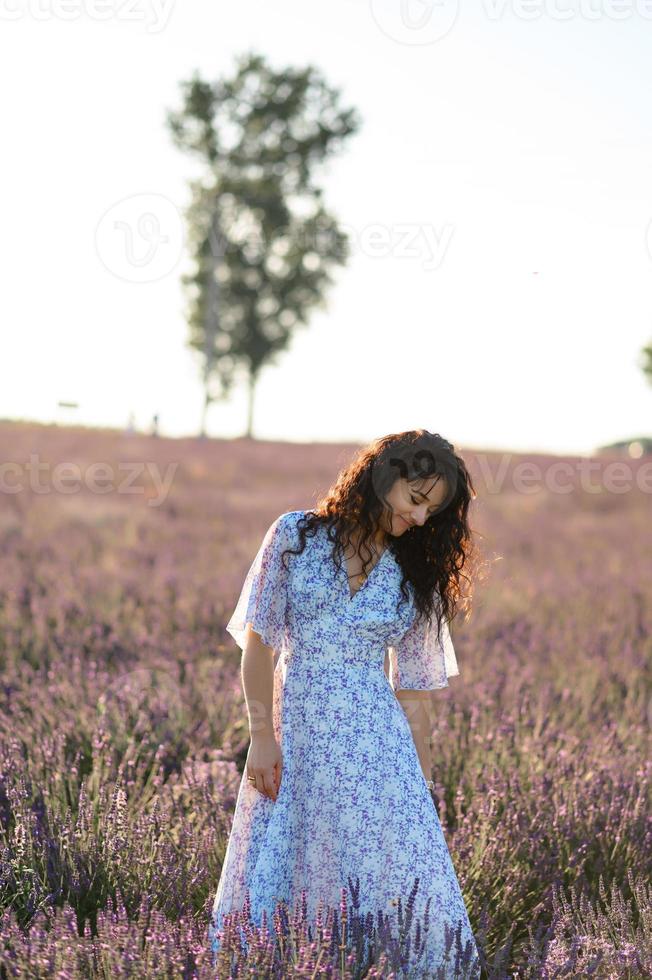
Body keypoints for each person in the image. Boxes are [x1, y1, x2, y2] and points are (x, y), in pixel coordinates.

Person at [209, 429, 482, 978]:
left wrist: (418, 785)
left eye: (434, 509)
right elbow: (259, 645)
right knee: (288, 863)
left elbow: (413, 693)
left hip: (377, 748)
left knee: (382, 879)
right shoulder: (294, 538)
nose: (423, 519)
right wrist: (262, 736)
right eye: (417, 499)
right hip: (298, 732)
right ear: (385, 478)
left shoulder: (413, 576)